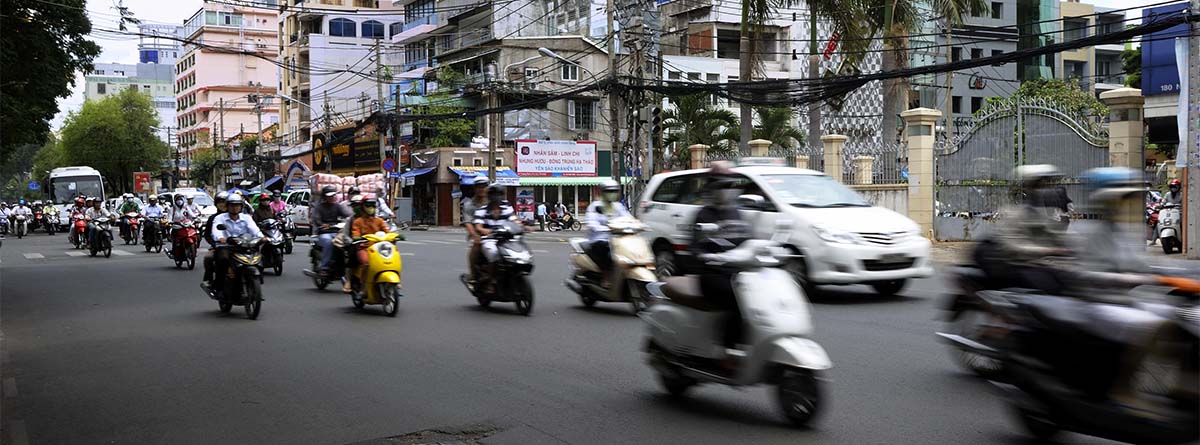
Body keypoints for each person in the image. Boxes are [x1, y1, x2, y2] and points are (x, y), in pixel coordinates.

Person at [971, 164, 1074, 294]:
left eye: (1047, 184)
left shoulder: (1045, 211)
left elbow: (1055, 235)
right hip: (1007, 263)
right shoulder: (1013, 213)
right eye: (1039, 186)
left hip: (1031, 263)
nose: (1045, 189)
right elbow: (1013, 247)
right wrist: (1048, 250)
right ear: (1027, 188)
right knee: (1045, 286)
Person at [688, 167, 750, 354]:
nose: (727, 190)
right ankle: (728, 349)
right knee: (736, 297)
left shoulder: (737, 213)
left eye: (730, 185)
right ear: (713, 187)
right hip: (711, 274)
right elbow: (695, 246)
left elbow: (747, 241)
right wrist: (706, 256)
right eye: (722, 186)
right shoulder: (703, 214)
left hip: (735, 271)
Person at [209, 193, 265, 292]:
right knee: (223, 260)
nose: (234, 208)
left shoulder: (246, 218)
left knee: (259, 257)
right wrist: (221, 238)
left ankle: (256, 278)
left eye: (237, 205)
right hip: (226, 246)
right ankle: (219, 286)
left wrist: (262, 237)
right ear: (227, 206)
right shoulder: (220, 218)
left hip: (244, 245)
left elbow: (254, 229)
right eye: (232, 205)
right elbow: (216, 231)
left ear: (241, 207)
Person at [584, 180, 631, 286]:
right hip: (599, 239)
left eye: (614, 191)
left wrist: (638, 225)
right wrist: (605, 228)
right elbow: (591, 223)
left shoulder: (618, 206)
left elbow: (628, 218)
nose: (612, 194)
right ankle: (606, 276)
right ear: (602, 192)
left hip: (617, 239)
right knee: (606, 251)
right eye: (609, 191)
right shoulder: (595, 206)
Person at [471, 184, 517, 290]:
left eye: (499, 194)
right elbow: (478, 226)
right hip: (490, 239)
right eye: (494, 194)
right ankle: (491, 280)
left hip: (506, 238)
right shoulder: (482, 210)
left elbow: (514, 220)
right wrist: (485, 231)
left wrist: (520, 226)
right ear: (489, 196)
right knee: (494, 253)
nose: (497, 197)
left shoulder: (507, 208)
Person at [347, 194, 390, 294]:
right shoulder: (358, 221)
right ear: (363, 207)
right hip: (364, 247)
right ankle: (362, 287)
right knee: (366, 263)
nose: (371, 208)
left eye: (373, 205)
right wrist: (357, 238)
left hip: (378, 247)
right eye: (368, 205)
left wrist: (394, 236)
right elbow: (355, 233)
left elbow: (387, 231)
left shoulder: (379, 221)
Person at [310, 185, 353, 274]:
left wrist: (354, 217)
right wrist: (322, 225)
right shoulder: (319, 207)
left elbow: (346, 214)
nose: (332, 197)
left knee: (347, 242)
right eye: (329, 196)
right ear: (324, 197)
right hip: (323, 233)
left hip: (336, 231)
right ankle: (324, 267)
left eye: (333, 195)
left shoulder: (337, 206)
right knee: (329, 242)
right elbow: (316, 219)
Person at [462, 176, 489, 283]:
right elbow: (468, 222)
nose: (481, 189)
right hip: (479, 234)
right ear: (475, 188)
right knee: (476, 247)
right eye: (479, 187)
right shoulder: (469, 205)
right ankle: (473, 273)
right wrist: (474, 235)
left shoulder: (494, 201)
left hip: (495, 232)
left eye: (484, 187)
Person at [202, 192, 230, 286]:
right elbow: (207, 235)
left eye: (224, 202)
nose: (222, 204)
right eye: (220, 202)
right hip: (219, 246)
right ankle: (209, 279)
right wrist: (214, 244)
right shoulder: (213, 218)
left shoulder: (236, 216)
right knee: (208, 258)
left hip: (236, 245)